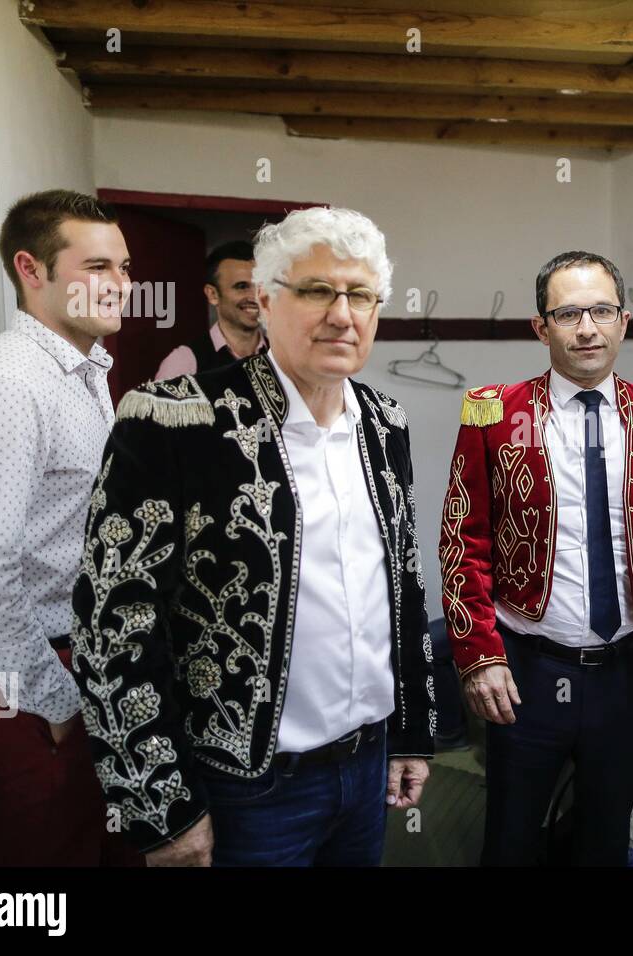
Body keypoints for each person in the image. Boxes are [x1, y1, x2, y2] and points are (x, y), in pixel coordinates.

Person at [71, 206, 434, 866]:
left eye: (360, 295)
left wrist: (410, 730)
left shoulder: (385, 422)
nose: (341, 314)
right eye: (317, 290)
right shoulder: (176, 420)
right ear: (265, 300)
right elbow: (111, 625)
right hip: (247, 786)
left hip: (368, 760)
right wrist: (163, 806)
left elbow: (402, 584)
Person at [440, 251, 633, 865]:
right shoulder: (494, 414)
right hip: (525, 674)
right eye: (568, 313)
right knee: (511, 839)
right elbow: (465, 543)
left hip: (628, 672)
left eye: (601, 311)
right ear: (541, 328)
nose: (586, 328)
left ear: (624, 321)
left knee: (603, 841)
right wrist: (478, 656)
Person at [0, 188, 140, 865]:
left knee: (99, 842)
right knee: (49, 861)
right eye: (96, 268)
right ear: (30, 269)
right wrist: (55, 700)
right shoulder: (7, 388)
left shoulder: (82, 372)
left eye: (125, 267)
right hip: (23, 666)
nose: (120, 286)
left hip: (77, 656)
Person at [154, 240, 265, 378]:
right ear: (212, 294)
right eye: (242, 286)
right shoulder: (183, 364)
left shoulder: (284, 356)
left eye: (260, 286)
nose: (255, 297)